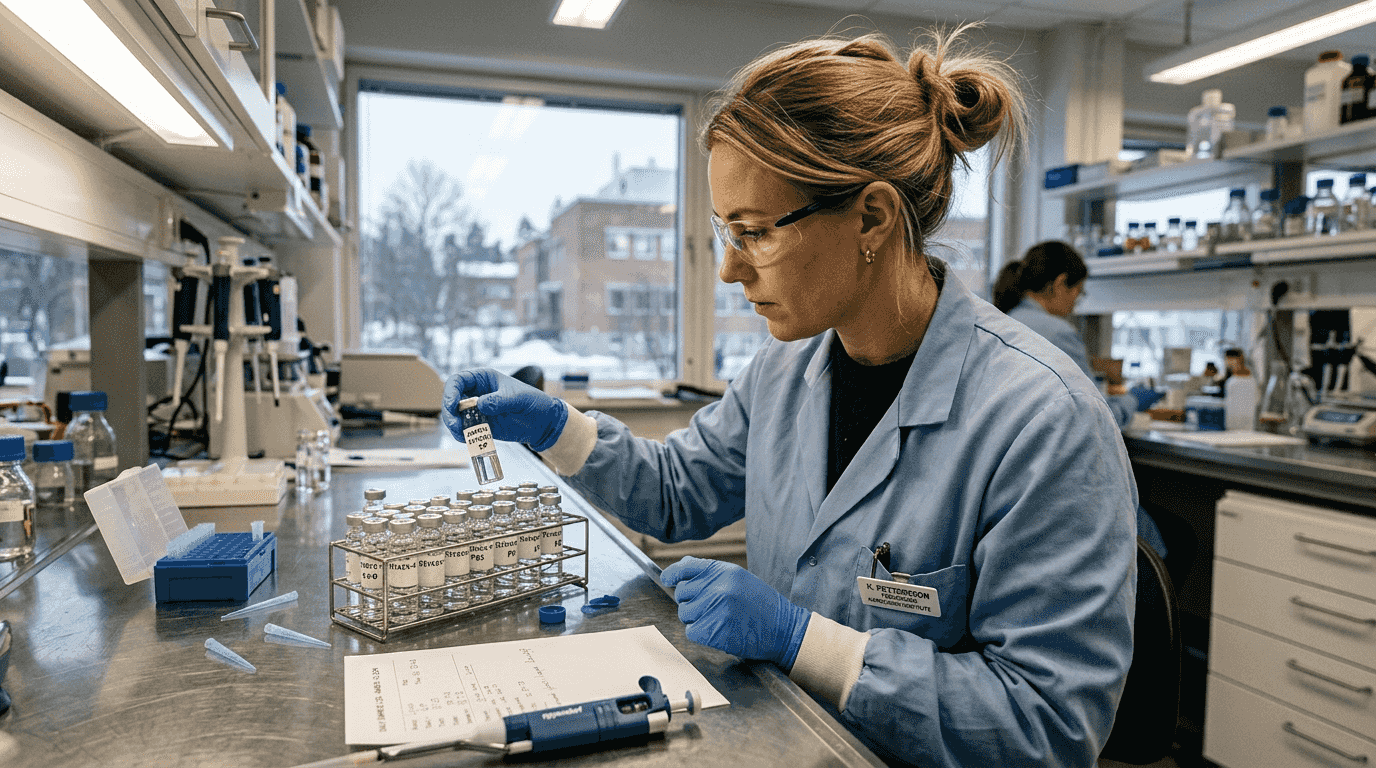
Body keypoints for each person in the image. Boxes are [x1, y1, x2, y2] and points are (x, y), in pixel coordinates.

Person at [443, 28, 1135, 768]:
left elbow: (1046, 727)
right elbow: (679, 493)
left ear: (870, 217)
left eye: (754, 233)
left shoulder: (1041, 419)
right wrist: (558, 427)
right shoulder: (791, 365)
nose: (730, 270)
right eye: (723, 232)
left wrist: (810, 644)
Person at [992, 241, 1170, 560]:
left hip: (1014, 478)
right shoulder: (1057, 331)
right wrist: (1133, 401)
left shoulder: (1002, 319)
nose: (1076, 303)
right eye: (1078, 292)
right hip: (1059, 484)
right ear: (1061, 284)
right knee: (1169, 542)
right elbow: (1097, 417)